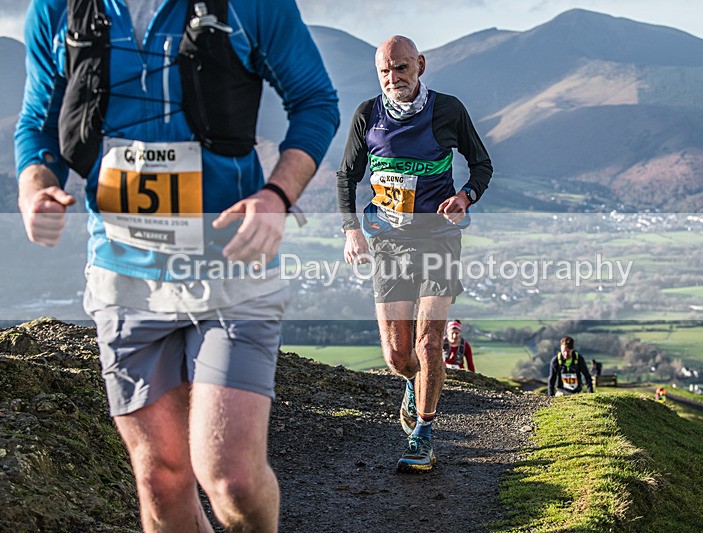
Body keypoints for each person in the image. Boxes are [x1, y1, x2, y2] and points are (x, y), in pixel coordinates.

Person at [16, 1, 338, 531]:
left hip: (231, 271)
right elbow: (37, 122)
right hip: (125, 278)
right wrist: (36, 187)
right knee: (161, 477)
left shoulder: (253, 7)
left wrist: (277, 195)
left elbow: (316, 101)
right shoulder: (57, 10)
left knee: (230, 478)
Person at [336, 35, 492, 473]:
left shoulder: (448, 110)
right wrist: (352, 231)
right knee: (398, 356)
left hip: (439, 238)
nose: (393, 78)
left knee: (428, 342)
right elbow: (346, 175)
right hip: (388, 241)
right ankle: (411, 384)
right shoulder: (368, 115)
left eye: (401, 68)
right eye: (385, 71)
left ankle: (423, 433)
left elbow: (482, 164)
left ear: (420, 65)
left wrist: (466, 196)